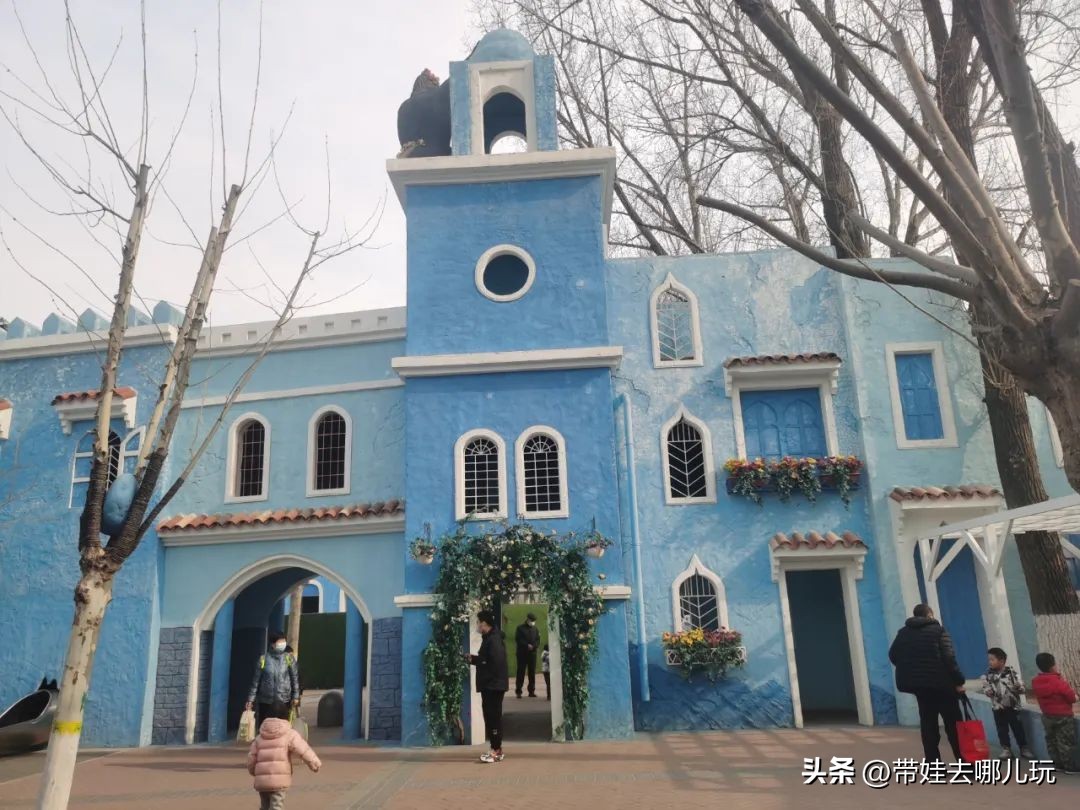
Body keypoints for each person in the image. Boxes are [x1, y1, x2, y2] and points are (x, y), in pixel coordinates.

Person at [888, 604, 965, 761]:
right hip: (943, 686)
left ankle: (933, 765)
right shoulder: (939, 631)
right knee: (953, 725)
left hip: (921, 688)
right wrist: (959, 680)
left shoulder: (903, 633)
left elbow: (893, 655)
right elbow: (949, 659)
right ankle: (965, 764)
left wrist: (912, 669)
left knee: (928, 724)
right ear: (929, 614)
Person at [246, 702, 321, 810]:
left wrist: (253, 771)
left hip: (262, 781)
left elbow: (251, 757)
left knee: (265, 806)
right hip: (279, 780)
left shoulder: (260, 736)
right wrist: (314, 763)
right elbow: (303, 749)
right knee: (276, 806)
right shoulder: (289, 733)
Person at [466, 610, 509, 763]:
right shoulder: (489, 638)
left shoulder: (493, 640)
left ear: (484, 623)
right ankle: (495, 748)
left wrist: (486, 675)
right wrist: (473, 659)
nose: (477, 625)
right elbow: (487, 660)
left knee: (493, 718)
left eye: (478, 622)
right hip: (491, 685)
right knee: (491, 717)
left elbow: (495, 663)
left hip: (493, 686)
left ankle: (496, 750)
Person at [981, 647, 1034, 759]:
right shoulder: (987, 675)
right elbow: (985, 688)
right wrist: (988, 691)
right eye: (989, 660)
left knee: (1017, 728)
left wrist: (1019, 687)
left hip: (1012, 707)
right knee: (1002, 729)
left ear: (1001, 661)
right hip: (998, 707)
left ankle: (1023, 748)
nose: (990, 662)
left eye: (992, 659)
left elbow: (1022, 689)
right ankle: (1006, 749)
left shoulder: (1012, 673)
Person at [1032, 652, 1078, 773]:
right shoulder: (1058, 682)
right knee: (1066, 742)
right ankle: (1070, 767)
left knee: (1051, 740)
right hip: (1063, 716)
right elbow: (1071, 698)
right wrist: (1076, 697)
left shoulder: (1036, 682)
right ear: (1053, 666)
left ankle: (1057, 764)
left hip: (1047, 715)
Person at [245, 632, 300, 728]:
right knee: (265, 728)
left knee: (283, 728)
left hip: (284, 700)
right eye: (281, 641)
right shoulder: (263, 659)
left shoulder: (289, 658)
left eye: (284, 640)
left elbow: (294, 679)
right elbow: (255, 682)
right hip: (266, 702)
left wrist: (295, 696)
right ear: (273, 643)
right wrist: (250, 700)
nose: (283, 643)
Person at [515, 613, 541, 698]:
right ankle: (519, 691)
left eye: (534, 621)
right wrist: (526, 645)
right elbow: (518, 639)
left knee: (532, 672)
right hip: (522, 653)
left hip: (532, 654)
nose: (533, 622)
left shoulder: (535, 629)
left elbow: (538, 640)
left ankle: (531, 691)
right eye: (532, 621)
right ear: (528, 620)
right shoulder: (520, 628)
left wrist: (534, 646)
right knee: (521, 672)